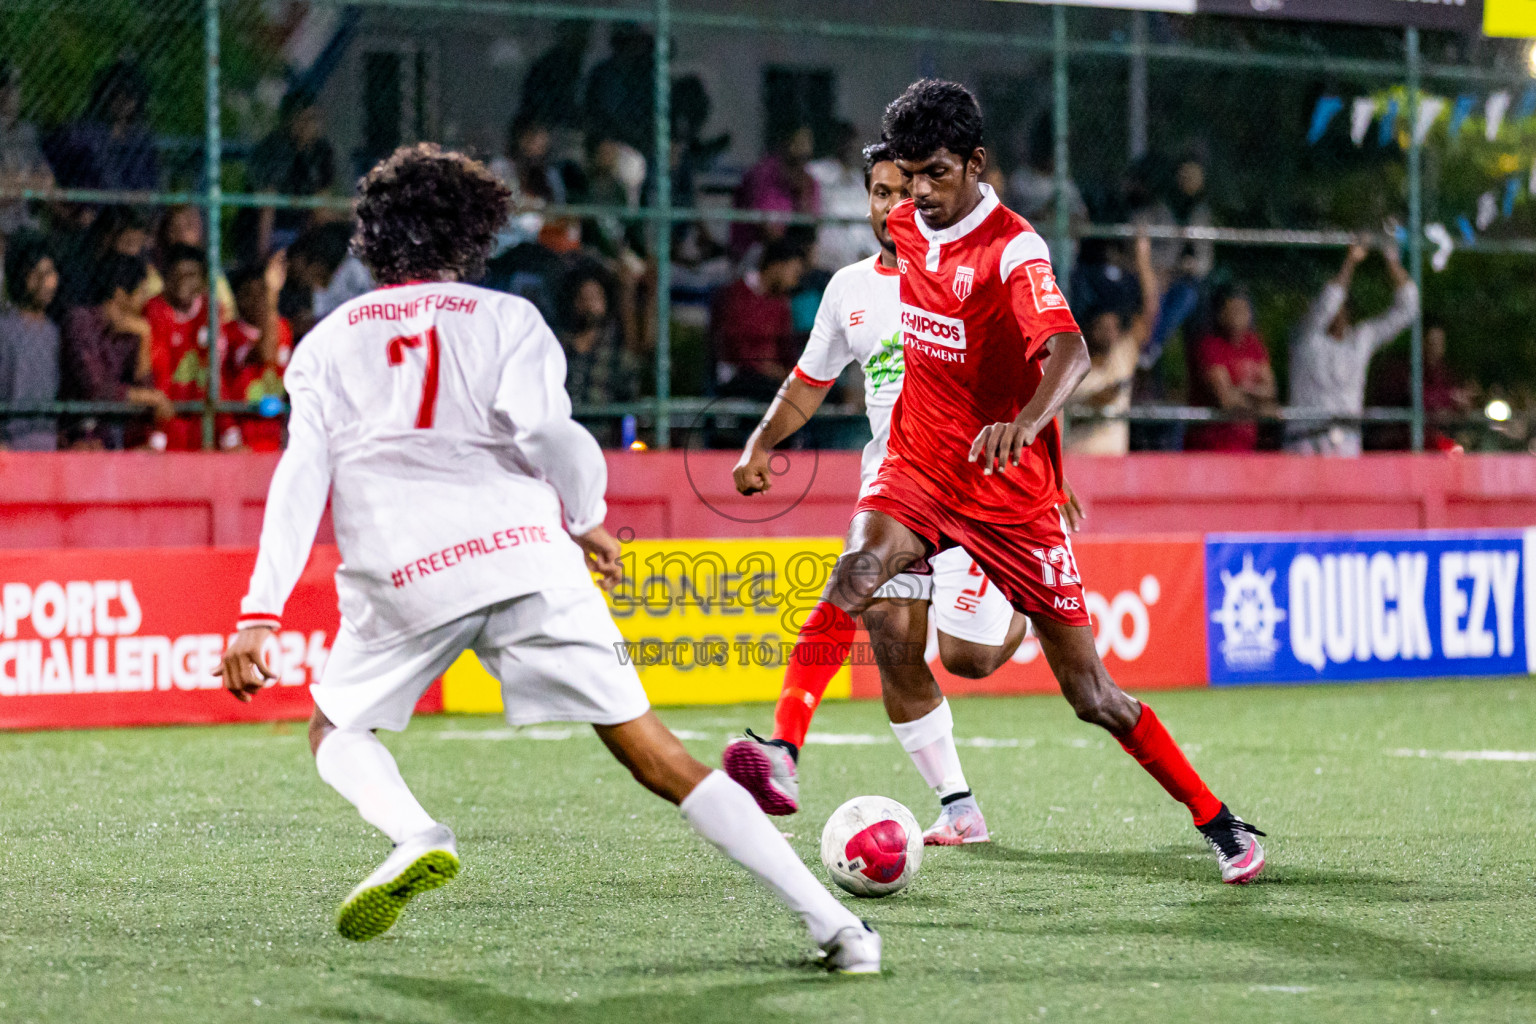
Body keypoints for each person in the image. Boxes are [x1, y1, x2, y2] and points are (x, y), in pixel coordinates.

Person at [214, 143, 880, 972]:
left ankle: (419, 833)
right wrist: (586, 515)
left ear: (372, 240)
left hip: (402, 570)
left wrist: (258, 613)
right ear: (472, 234)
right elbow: (546, 434)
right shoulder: (506, 318)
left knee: (336, 729)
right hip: (525, 555)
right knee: (658, 755)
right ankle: (839, 930)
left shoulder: (324, 343)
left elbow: (300, 477)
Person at [722, 80, 1265, 885]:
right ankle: (782, 752)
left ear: (977, 164)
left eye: (935, 174)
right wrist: (764, 440)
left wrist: (1031, 426)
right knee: (857, 575)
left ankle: (1220, 823)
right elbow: (839, 330)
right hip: (920, 466)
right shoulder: (903, 221)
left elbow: (1069, 353)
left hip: (1007, 494)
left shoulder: (1015, 248)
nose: (917, 196)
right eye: (906, 179)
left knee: (1091, 694)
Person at [727, 141, 1054, 845]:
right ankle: (948, 802)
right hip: (899, 487)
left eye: (904, 193)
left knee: (968, 659)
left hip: (980, 495)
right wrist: (761, 442)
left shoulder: (981, 270)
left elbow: (1040, 367)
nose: (891, 208)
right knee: (886, 629)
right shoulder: (849, 288)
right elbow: (807, 382)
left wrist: (1054, 476)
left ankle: (1027, 611)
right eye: (879, 194)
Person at [1285, 240, 1418, 456]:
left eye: (1342, 306)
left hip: (1346, 444)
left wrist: (1391, 261)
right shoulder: (1305, 337)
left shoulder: (1360, 339)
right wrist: (1351, 260)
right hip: (1305, 444)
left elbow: (1408, 309)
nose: (1335, 311)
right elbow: (1327, 304)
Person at [60, 253, 173, 449]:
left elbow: (145, 387)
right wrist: (150, 397)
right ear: (120, 294)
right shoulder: (80, 322)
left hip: (114, 436)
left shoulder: (134, 329)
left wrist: (145, 336)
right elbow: (95, 390)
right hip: (76, 434)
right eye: (141, 293)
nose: (144, 300)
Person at [1066, 234, 1159, 456]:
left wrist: (1143, 261)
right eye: (1103, 325)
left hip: (1114, 472)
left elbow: (1150, 313)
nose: (1110, 331)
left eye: (1114, 326)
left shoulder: (1122, 355)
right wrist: (1093, 404)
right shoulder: (1068, 362)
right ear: (1088, 327)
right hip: (1075, 466)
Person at [238, 89, 336, 262]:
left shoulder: (321, 151)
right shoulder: (275, 149)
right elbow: (267, 207)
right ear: (289, 120)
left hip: (301, 227)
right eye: (303, 119)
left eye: (314, 119)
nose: (310, 126)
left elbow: (321, 208)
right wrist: (262, 255)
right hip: (270, 229)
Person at [709, 237, 805, 401]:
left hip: (773, 378)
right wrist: (769, 369)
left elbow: (787, 349)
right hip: (740, 377)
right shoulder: (735, 296)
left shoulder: (781, 303)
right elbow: (733, 349)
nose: (794, 281)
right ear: (777, 266)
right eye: (793, 273)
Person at [1184, 285, 1276, 452]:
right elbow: (1225, 399)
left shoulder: (1254, 344)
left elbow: (1270, 391)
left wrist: (1241, 393)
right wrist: (1261, 407)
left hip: (1245, 446)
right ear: (1220, 314)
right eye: (1233, 310)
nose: (1239, 316)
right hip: (1211, 447)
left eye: (1243, 310)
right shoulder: (1209, 345)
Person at [144, 243, 217, 451]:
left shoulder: (212, 312)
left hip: (199, 421)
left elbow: (216, 373)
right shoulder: (154, 310)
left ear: (203, 281)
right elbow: (160, 375)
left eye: (191, 274)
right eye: (177, 274)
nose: (183, 281)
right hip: (163, 421)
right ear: (166, 278)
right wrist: (158, 436)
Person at [44, 59, 158, 192]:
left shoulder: (140, 139)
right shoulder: (85, 132)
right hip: (97, 206)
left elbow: (150, 183)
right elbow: (52, 150)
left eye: (129, 93)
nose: (122, 100)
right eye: (115, 93)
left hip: (132, 205)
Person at [222, 255, 292, 452]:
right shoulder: (230, 332)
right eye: (248, 294)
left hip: (276, 436)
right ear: (237, 299)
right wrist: (271, 295)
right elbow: (266, 353)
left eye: (261, 292)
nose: (256, 300)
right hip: (244, 439)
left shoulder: (283, 328)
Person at [0, 232, 60, 450]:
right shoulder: (5, 329)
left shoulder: (54, 332)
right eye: (36, 275)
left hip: (47, 444)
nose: (46, 282)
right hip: (10, 444)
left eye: (50, 273)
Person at [731, 124, 820, 261]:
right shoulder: (762, 175)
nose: (801, 166)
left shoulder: (809, 182)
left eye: (806, 158)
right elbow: (768, 231)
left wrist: (802, 193)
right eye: (795, 160)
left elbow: (810, 228)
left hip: (793, 255)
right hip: (756, 253)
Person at [807, 121, 879, 273]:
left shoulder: (861, 182)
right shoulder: (815, 172)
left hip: (862, 262)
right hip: (827, 263)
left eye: (853, 141)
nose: (850, 146)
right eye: (845, 141)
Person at [0, 61, 55, 235]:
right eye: (3, 86)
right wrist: (28, 182)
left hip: (24, 224)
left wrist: (16, 183)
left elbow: (47, 182)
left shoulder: (27, 132)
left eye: (14, 86)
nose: (9, 93)